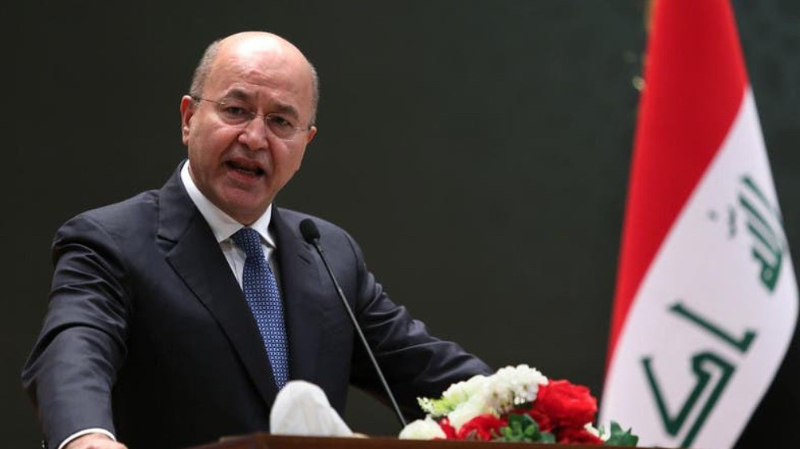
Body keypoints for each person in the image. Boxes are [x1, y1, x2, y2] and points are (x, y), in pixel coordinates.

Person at [22, 32, 491, 449]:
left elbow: (431, 373)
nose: (254, 137)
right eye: (235, 110)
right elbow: (72, 352)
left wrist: (529, 403)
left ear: (305, 144)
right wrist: (86, 437)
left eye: (281, 122)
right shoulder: (111, 242)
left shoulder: (330, 254)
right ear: (188, 118)